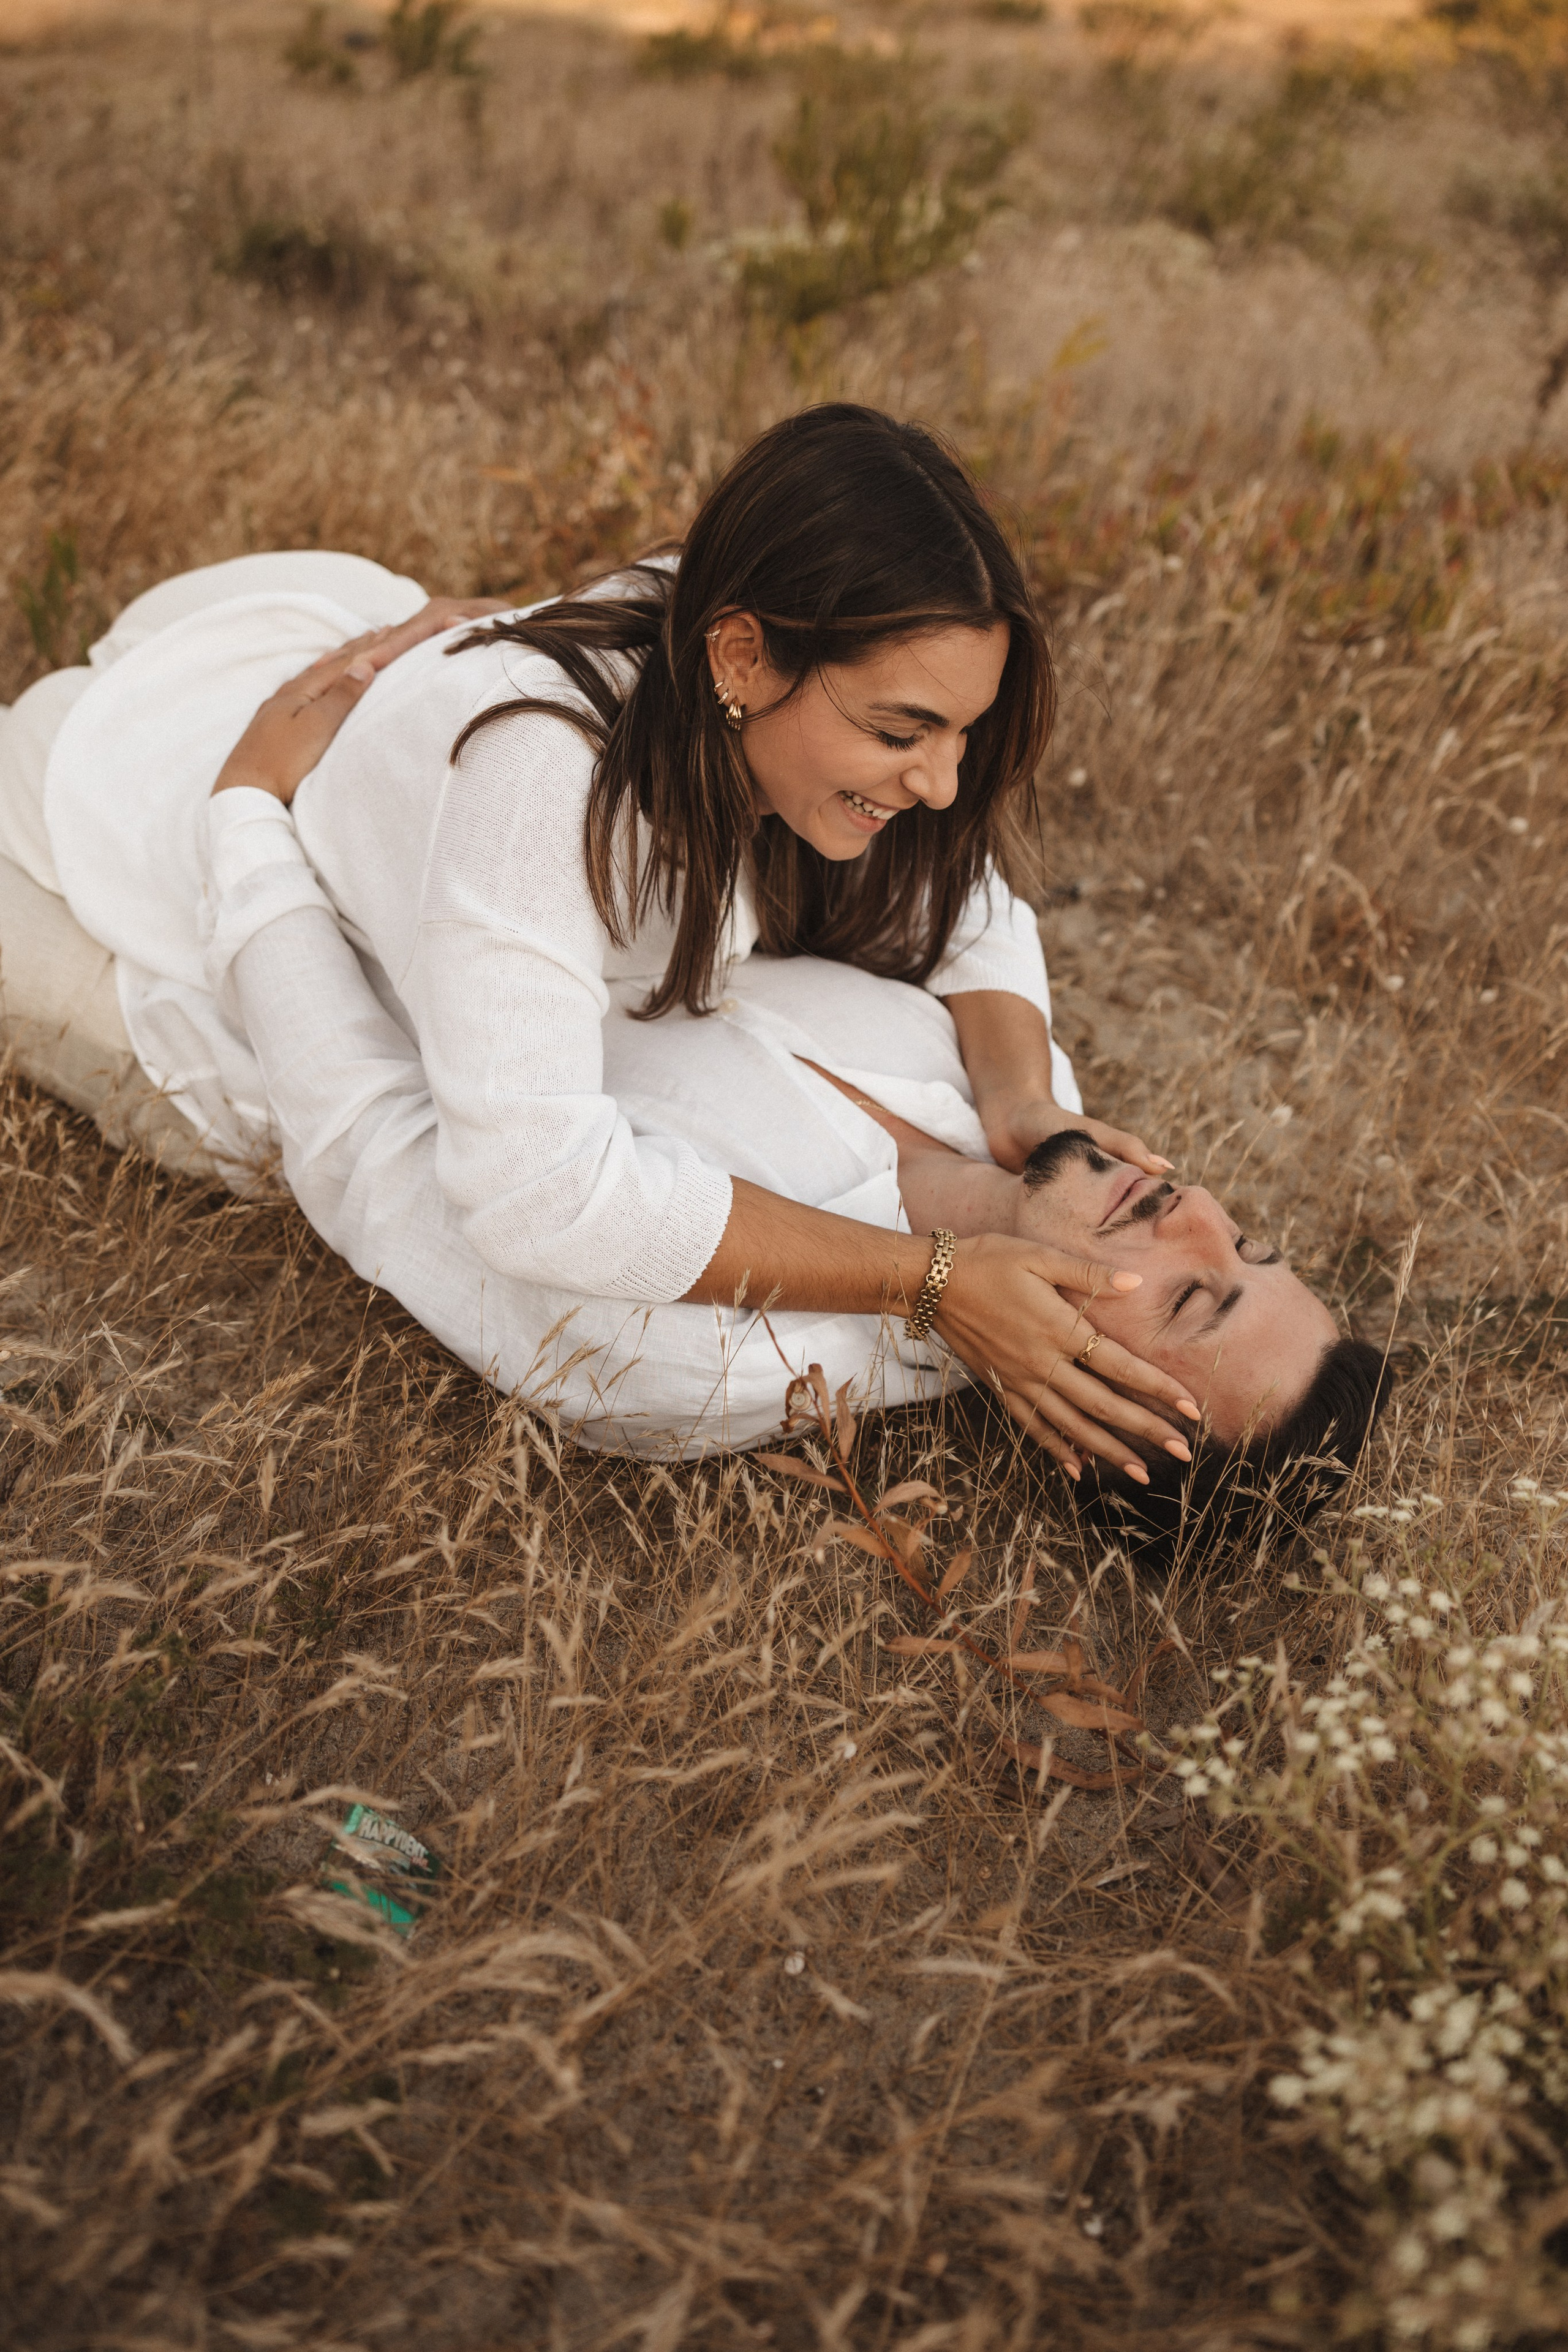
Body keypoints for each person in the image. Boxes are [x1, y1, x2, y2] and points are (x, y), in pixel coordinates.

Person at [3, 404, 1386, 1550]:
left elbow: (374, 1142)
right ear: (738, 652)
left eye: (1197, 1293)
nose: (1198, 1209)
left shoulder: (701, 1362)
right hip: (415, 756)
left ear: (1083, 1414)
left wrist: (247, 817)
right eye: (1246, 1240)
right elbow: (964, 896)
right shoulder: (1030, 1130)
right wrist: (1019, 1094)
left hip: (215, 928)